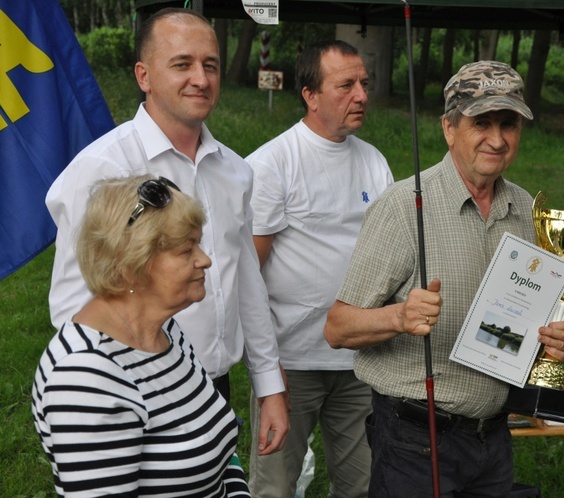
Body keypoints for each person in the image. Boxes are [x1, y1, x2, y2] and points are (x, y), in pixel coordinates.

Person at [324, 61, 564, 497]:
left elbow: (521, 322)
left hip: (493, 439)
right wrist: (400, 316)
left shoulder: (525, 210)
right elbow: (337, 328)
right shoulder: (404, 207)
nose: (497, 140)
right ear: (449, 128)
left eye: (508, 123)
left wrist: (550, 343)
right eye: (481, 123)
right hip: (414, 444)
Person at [45, 7, 288, 455]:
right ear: (144, 75)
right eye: (182, 64)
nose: (200, 77)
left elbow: (246, 281)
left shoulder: (235, 170)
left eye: (210, 65)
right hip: (134, 392)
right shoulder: (103, 170)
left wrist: (269, 385)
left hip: (215, 388)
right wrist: (98, 398)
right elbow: (71, 305)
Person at [32, 174, 251, 496]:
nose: (204, 260)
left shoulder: (164, 334)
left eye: (199, 244)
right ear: (131, 264)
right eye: (186, 250)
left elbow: (219, 452)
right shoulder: (84, 377)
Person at [245, 40, 393, 498]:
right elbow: (248, 274)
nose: (361, 95)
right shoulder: (272, 164)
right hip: (291, 362)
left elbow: (392, 253)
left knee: (364, 484)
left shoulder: (373, 161)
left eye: (363, 84)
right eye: (345, 85)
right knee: (275, 486)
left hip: (362, 359)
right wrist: (267, 370)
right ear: (310, 94)